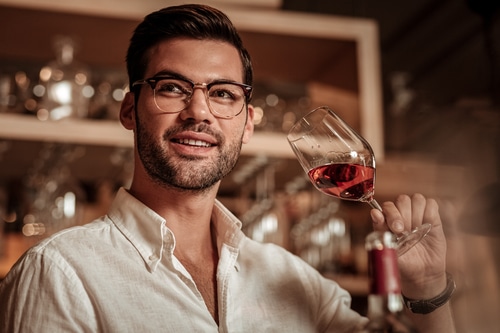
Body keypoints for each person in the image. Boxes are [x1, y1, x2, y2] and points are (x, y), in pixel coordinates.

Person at [0, 4, 456, 332]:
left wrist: (428, 289)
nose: (199, 111)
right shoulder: (59, 272)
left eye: (223, 93)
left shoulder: (294, 279)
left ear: (248, 123)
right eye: (173, 87)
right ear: (129, 110)